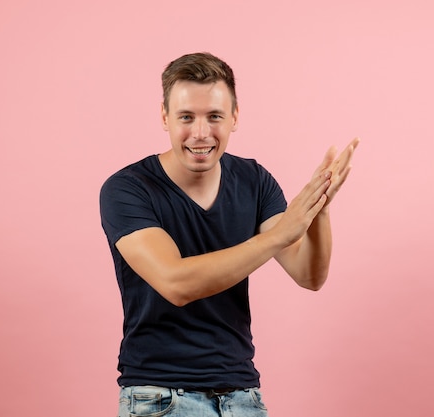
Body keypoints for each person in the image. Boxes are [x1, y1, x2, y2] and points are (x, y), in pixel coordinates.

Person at [100, 52, 359, 417]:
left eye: (215, 116)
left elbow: (309, 275)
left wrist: (320, 208)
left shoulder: (254, 181)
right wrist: (276, 236)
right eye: (186, 117)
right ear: (164, 117)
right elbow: (176, 283)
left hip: (242, 395)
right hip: (160, 396)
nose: (201, 133)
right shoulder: (127, 189)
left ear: (235, 118)